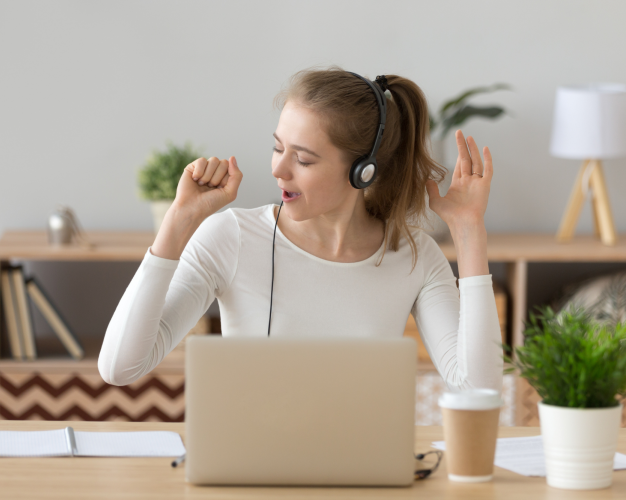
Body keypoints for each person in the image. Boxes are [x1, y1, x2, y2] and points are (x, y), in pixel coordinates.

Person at [98, 66, 503, 392]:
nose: (278, 169)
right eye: (278, 148)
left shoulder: (414, 257)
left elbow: (480, 389)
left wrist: (469, 232)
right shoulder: (231, 237)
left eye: (304, 160)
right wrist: (179, 221)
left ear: (364, 171)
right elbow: (121, 367)